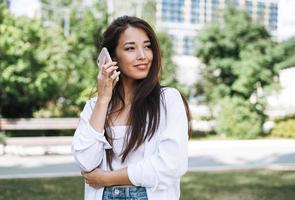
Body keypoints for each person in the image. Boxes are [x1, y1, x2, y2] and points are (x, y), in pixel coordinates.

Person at [72, 15, 191, 200]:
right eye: (130, 48)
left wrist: (106, 179)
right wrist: (103, 99)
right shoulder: (94, 106)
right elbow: (86, 162)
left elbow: (172, 165)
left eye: (147, 46)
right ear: (111, 58)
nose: (143, 56)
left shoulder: (168, 100)